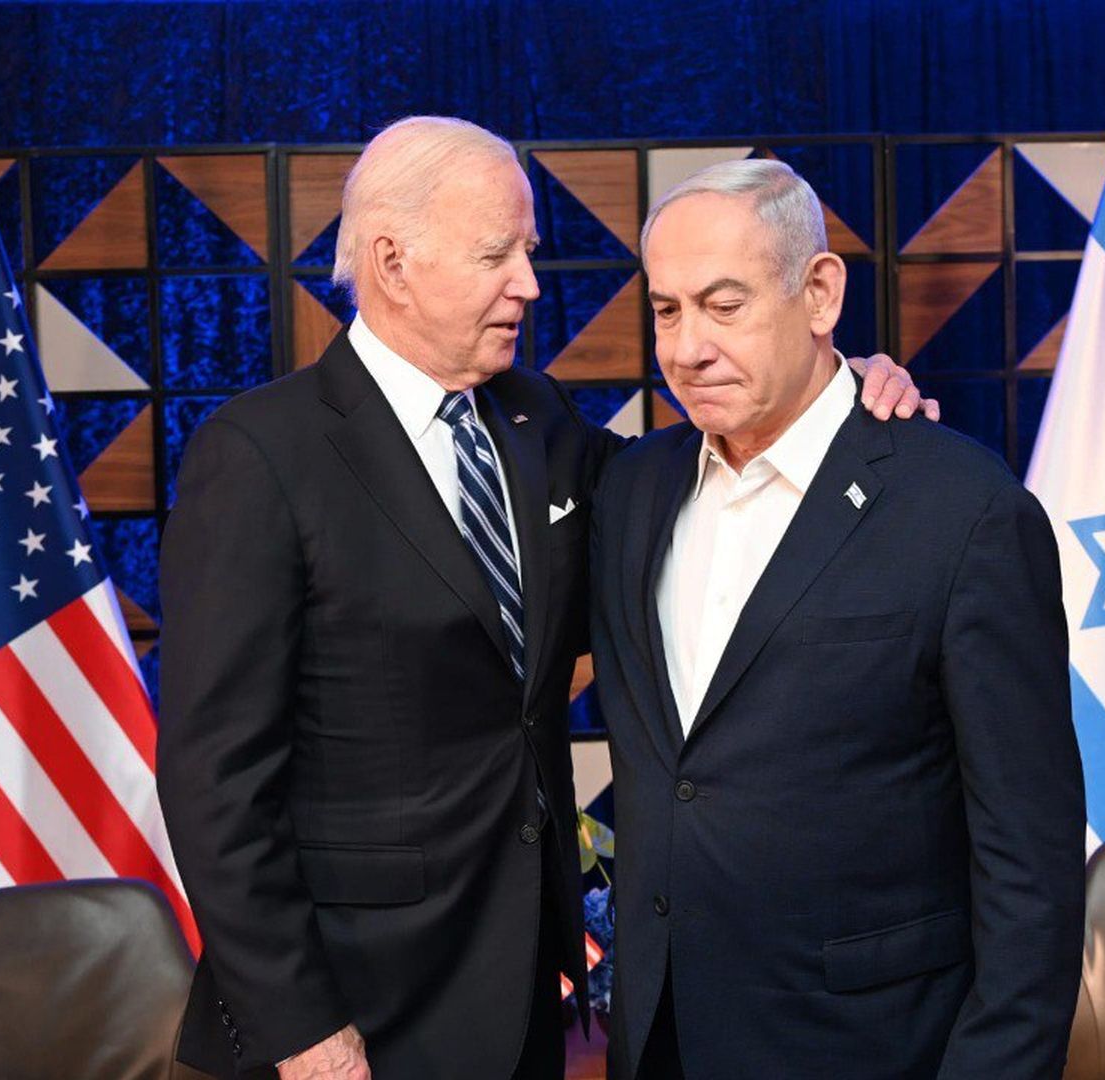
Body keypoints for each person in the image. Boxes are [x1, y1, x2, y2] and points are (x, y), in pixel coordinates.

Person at [156, 117, 933, 1080]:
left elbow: (708, 473)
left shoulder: (538, 419)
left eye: (526, 250)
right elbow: (214, 786)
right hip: (347, 1018)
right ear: (393, 263)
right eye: (499, 254)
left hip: (523, 998)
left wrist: (837, 385)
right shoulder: (260, 456)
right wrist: (307, 1035)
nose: (530, 281)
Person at [590, 158, 1086, 1080]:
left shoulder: (964, 511)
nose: (686, 347)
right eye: (666, 310)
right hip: (659, 1042)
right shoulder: (630, 489)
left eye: (724, 304)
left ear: (820, 294)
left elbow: (1032, 868)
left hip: (872, 1048)